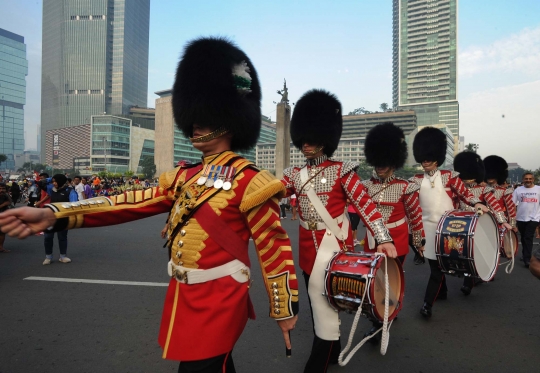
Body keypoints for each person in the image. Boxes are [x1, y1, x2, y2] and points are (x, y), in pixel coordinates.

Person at [0, 37, 298, 373]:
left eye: (207, 114)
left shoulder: (252, 182)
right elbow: (124, 202)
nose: (196, 123)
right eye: (194, 115)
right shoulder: (185, 177)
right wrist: (52, 213)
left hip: (221, 298)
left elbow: (274, 249)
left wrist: (284, 310)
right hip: (184, 295)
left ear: (230, 117)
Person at [281, 89, 397, 373]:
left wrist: (383, 238)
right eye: (303, 140)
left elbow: (365, 205)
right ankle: (332, 352)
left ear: (325, 140)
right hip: (308, 248)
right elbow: (275, 193)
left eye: (312, 139)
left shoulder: (342, 171)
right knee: (319, 301)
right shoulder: (294, 174)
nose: (306, 145)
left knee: (323, 303)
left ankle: (317, 363)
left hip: (333, 246)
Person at [409, 127, 488, 319]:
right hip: (425, 230)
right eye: (423, 158)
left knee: (437, 268)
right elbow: (410, 207)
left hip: (447, 228)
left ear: (437, 158)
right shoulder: (414, 180)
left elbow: (465, 194)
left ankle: (427, 304)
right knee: (435, 266)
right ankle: (441, 291)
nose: (425, 161)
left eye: (429, 158)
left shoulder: (450, 176)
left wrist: (476, 202)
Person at [360, 122, 425, 340]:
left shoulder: (406, 186)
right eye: (377, 161)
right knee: (374, 281)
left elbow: (415, 216)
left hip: (396, 242)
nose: (380, 166)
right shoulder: (365, 186)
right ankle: (382, 314)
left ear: (393, 162)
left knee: (388, 281)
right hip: (371, 240)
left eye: (384, 162)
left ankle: (382, 320)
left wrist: (418, 244)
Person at [453, 151, 512, 294]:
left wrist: (503, 221)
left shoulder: (484, 189)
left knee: (474, 253)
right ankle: (471, 276)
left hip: (479, 225)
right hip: (462, 224)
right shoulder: (458, 188)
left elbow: (494, 205)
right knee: (464, 253)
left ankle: (469, 282)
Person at [43, 174, 74, 265]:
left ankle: (63, 256)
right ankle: (48, 257)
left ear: (61, 182)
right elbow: (40, 183)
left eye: (56, 181)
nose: (54, 183)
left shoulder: (70, 191)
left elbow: (74, 204)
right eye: (53, 181)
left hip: (63, 218)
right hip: (50, 217)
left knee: (62, 237)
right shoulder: (50, 189)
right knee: (48, 237)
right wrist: (50, 179)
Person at [512, 172, 540, 268]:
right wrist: (513, 218)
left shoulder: (538, 189)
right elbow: (513, 204)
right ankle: (525, 255)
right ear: (523, 180)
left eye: (530, 178)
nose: (528, 180)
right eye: (526, 179)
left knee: (528, 237)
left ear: (533, 179)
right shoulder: (518, 190)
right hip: (520, 218)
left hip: (534, 218)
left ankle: (527, 260)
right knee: (524, 238)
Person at [0, 183, 13, 253]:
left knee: (2, 232)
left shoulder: (5, 195)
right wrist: (4, 204)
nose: (1, 190)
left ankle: (1, 247)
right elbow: (7, 203)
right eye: (0, 189)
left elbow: (10, 202)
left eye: (3, 189)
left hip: (3, 216)